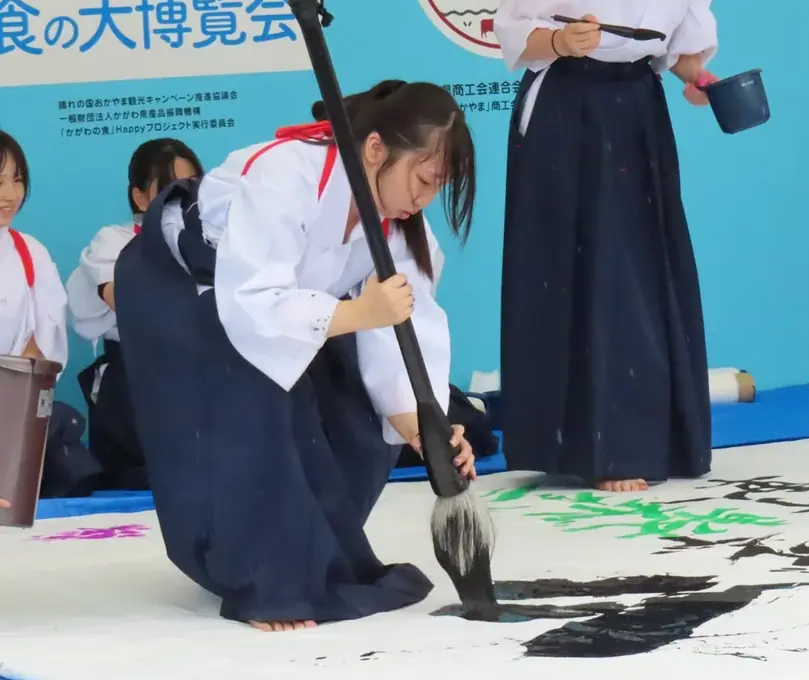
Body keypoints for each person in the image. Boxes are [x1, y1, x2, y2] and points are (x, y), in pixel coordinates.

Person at [113, 80, 478, 631]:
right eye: (423, 180)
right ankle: (263, 577)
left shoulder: (404, 224)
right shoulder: (286, 175)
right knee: (255, 407)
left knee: (353, 410)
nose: (423, 199)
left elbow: (406, 325)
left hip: (292, 309)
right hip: (186, 289)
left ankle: (310, 557)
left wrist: (423, 428)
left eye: (437, 187)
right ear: (376, 150)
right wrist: (356, 316)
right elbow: (253, 301)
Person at [493, 0, 724, 493]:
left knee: (645, 265)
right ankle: (602, 446)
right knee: (591, 269)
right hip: (569, 106)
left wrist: (702, 79)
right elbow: (515, 31)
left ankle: (654, 437)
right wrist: (559, 40)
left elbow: (679, 47)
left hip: (638, 104)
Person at [66, 138, 203, 491]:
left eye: (192, 186)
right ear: (140, 196)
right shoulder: (114, 241)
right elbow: (128, 302)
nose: (183, 197)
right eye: (170, 188)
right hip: (134, 375)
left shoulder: (212, 241)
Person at [0, 131, 103, 499]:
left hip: (12, 412)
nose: (10, 194)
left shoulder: (31, 252)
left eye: (17, 179)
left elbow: (43, 338)